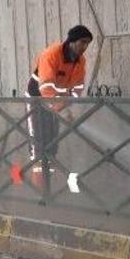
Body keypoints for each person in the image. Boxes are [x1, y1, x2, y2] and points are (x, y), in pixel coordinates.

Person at [26, 25, 93, 165]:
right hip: (36, 97)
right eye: (83, 42)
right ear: (72, 41)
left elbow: (77, 87)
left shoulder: (81, 61)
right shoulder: (51, 54)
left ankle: (49, 171)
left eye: (88, 43)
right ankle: (37, 174)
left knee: (52, 138)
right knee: (38, 137)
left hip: (57, 101)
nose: (85, 46)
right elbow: (46, 88)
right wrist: (61, 111)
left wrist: (67, 107)